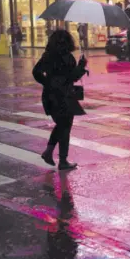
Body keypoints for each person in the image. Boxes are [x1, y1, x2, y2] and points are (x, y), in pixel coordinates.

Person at [32, 30, 88, 170]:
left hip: (50, 95)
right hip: (64, 96)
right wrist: (81, 65)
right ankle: (62, 160)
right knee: (65, 127)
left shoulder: (48, 55)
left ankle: (50, 152)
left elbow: (36, 72)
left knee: (62, 125)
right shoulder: (68, 57)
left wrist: (48, 83)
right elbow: (72, 77)